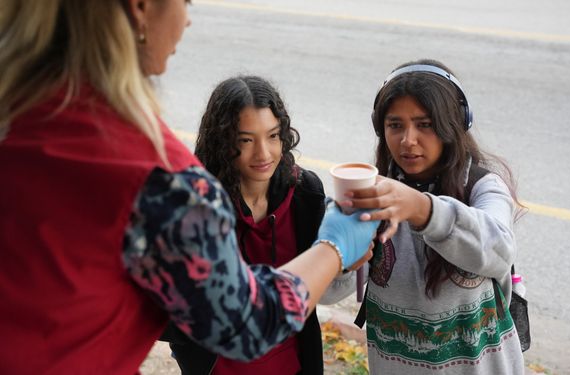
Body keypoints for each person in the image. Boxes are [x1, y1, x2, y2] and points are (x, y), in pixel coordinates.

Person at [0, 1, 378, 374]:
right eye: (185, 2)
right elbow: (247, 323)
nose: (188, 20)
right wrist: (336, 244)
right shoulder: (163, 183)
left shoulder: (20, 117)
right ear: (140, 8)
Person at [340, 59, 525, 374]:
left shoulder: (483, 187)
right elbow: (332, 290)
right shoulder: (373, 197)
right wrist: (343, 250)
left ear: (454, 125)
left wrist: (422, 210)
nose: (408, 140)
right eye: (395, 125)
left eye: (424, 124)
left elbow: (499, 251)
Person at [164, 75, 354, 374]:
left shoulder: (305, 192)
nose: (264, 154)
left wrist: (349, 253)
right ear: (222, 142)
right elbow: (163, 313)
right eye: (246, 140)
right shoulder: (195, 205)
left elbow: (325, 289)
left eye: (273, 136)